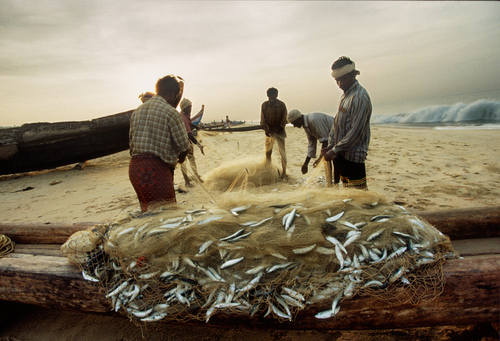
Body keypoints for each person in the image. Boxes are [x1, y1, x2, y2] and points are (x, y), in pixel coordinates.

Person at [129, 75, 190, 211]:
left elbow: (131, 144)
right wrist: (181, 158)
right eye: (174, 97)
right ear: (171, 94)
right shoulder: (171, 113)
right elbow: (184, 145)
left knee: (147, 211)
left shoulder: (137, 111)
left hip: (135, 168)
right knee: (166, 213)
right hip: (156, 170)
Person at [322, 56, 372, 190]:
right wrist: (331, 145)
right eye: (337, 80)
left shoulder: (359, 97)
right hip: (341, 153)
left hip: (353, 155)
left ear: (354, 75)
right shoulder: (345, 96)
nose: (340, 84)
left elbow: (356, 132)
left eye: (344, 79)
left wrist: (335, 150)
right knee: (348, 192)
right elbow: (337, 124)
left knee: (359, 194)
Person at [287, 109, 340, 186]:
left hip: (338, 134)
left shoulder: (313, 120)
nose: (294, 126)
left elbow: (325, 140)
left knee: (335, 159)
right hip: (331, 138)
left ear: (298, 119)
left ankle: (336, 184)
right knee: (327, 157)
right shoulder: (306, 126)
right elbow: (311, 144)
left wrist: (320, 158)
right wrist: (306, 163)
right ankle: (331, 183)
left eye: (294, 123)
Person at [260, 87, 288, 178]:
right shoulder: (264, 105)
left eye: (273, 96)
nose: (271, 98)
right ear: (267, 96)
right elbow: (262, 120)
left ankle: (284, 172)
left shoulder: (282, 105)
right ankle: (268, 170)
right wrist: (266, 130)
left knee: (282, 151)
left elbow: (283, 121)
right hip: (269, 131)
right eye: (270, 96)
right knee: (268, 151)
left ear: (276, 95)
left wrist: (275, 130)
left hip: (279, 130)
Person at [179, 98, 205, 187]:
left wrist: (196, 127)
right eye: (189, 107)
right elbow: (189, 134)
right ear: (184, 108)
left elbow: (189, 123)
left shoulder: (187, 115)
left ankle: (196, 176)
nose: (191, 109)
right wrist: (199, 145)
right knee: (183, 162)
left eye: (191, 107)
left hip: (187, 141)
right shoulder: (182, 117)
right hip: (182, 142)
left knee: (192, 159)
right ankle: (187, 182)